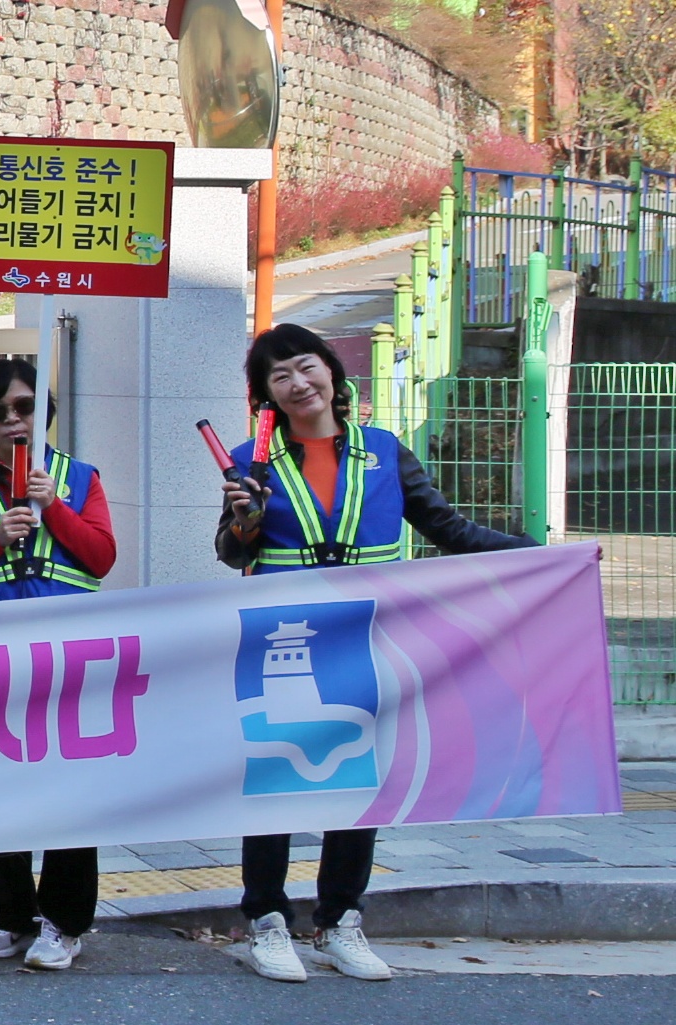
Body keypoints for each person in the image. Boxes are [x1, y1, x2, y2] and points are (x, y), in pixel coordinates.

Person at [215, 324, 533, 983]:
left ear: (330, 371)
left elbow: (447, 529)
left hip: (370, 638)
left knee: (358, 783)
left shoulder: (385, 452)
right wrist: (244, 515)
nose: (298, 382)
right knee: (277, 779)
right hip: (285, 640)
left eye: (306, 367)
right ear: (264, 396)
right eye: (280, 376)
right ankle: (266, 921)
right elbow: (232, 552)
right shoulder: (255, 458)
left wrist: (535, 555)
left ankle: (338, 920)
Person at [0, 357, 116, 972]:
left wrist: (55, 508)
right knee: (0, 783)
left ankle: (64, 923)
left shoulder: (81, 477)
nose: (14, 421)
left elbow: (101, 559)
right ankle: (11, 917)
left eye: (25, 407)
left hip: (68, 656)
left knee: (70, 788)